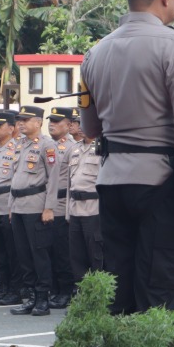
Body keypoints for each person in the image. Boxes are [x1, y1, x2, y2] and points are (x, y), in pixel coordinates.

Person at [79, 0, 174, 314]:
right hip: (161, 185)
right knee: (161, 295)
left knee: (119, 293)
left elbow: (89, 128)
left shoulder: (95, 52)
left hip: (112, 181)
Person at [8, 106, 62, 317]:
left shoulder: (47, 146)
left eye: (26, 120)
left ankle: (42, 299)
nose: (21, 123)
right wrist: (11, 207)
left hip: (36, 206)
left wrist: (49, 207)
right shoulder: (20, 145)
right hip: (19, 206)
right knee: (24, 255)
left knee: (39, 254)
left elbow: (53, 178)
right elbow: (15, 178)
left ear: (38, 122)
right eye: (20, 120)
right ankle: (31, 296)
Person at [0, 111, 22, 305]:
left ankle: (15, 290)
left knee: (12, 251)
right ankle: (2, 288)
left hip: (7, 203)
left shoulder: (17, 148)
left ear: (11, 128)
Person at [44, 107, 78, 308]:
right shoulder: (47, 145)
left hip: (62, 203)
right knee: (49, 250)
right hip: (46, 203)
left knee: (62, 251)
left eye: (57, 121)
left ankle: (65, 290)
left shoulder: (72, 147)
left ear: (69, 125)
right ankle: (55, 289)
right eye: (51, 121)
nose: (52, 124)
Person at [67, 114, 103, 285]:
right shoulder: (74, 149)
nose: (79, 126)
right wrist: (68, 211)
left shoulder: (103, 148)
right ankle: (81, 296)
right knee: (77, 256)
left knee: (96, 255)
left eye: (82, 123)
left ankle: (99, 297)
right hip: (75, 209)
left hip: (94, 209)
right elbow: (70, 184)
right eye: (76, 123)